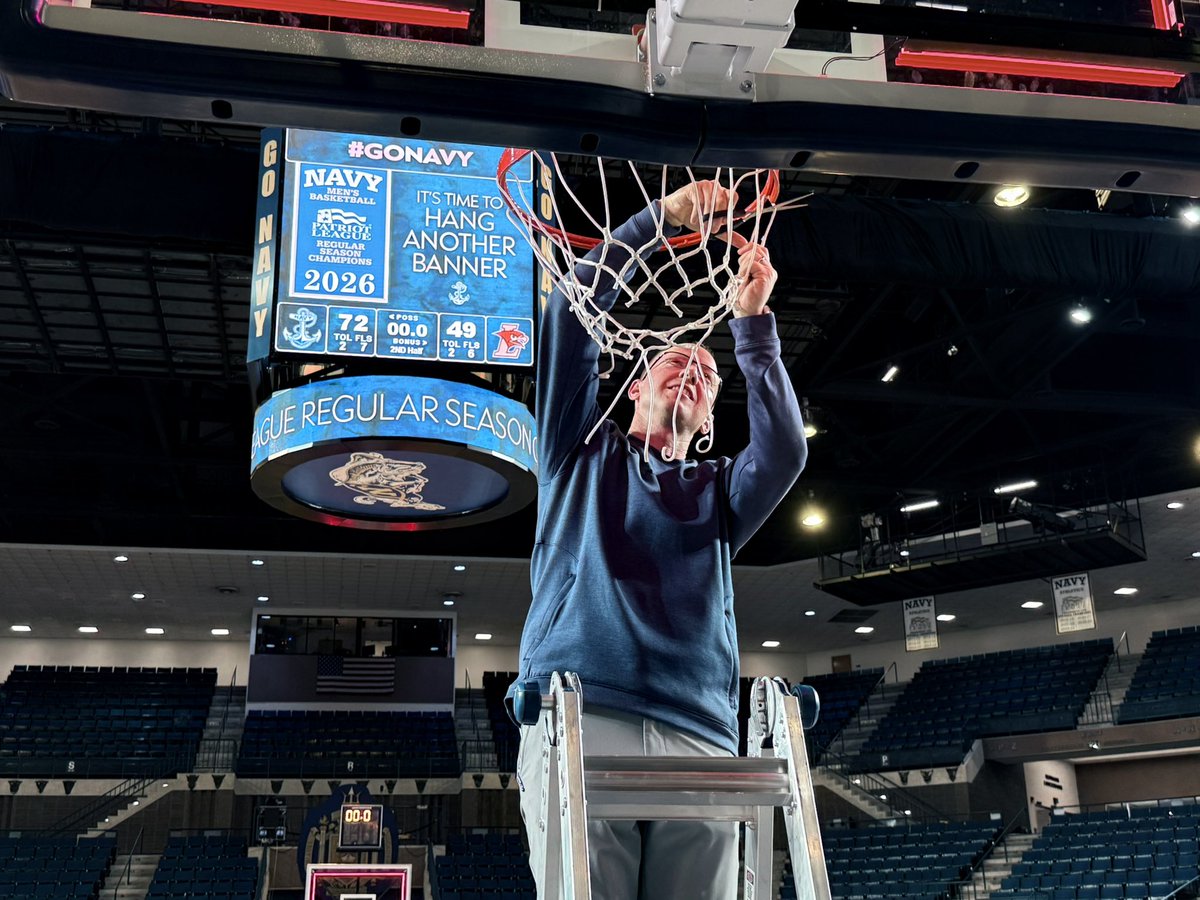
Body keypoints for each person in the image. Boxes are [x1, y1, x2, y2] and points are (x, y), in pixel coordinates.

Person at [510, 180, 808, 899]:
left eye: (706, 376)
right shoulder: (575, 452)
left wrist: (753, 325)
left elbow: (785, 451)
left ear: (708, 422)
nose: (693, 369)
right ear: (635, 389)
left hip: (698, 726)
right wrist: (660, 220)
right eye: (674, 362)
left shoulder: (719, 490)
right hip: (582, 708)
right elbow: (570, 312)